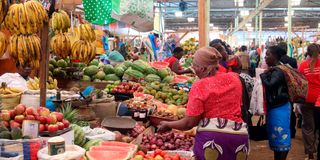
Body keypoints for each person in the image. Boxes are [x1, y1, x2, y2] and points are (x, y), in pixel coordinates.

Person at [159, 47, 250, 160]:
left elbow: (189, 123)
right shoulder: (235, 78)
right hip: (239, 136)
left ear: (202, 68)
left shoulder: (199, 85)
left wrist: (168, 124)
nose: (194, 69)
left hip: (212, 139)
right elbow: (244, 106)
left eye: (195, 66)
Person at [260, 46, 291, 160]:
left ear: (275, 56)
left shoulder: (278, 70)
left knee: (281, 136)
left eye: (268, 54)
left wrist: (263, 74)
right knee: (277, 136)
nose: (265, 57)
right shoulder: (278, 68)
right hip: (278, 106)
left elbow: (270, 85)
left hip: (279, 107)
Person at [298, 43, 320, 160]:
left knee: (308, 127)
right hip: (319, 100)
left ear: (308, 52)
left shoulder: (303, 65)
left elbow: (299, 83)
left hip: (306, 99)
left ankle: (310, 154)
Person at [277, 42, 299, 139]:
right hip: (290, 87)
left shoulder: (277, 60)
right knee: (290, 109)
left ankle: (281, 130)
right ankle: (292, 131)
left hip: (278, 88)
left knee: (279, 109)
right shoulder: (293, 60)